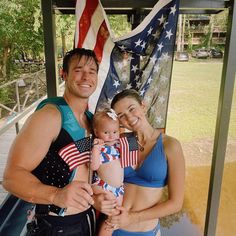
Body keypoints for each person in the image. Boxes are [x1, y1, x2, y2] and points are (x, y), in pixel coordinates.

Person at [3, 48, 116, 236]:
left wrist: (96, 199)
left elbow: (82, 174)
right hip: (56, 225)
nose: (86, 77)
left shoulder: (90, 120)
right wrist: (56, 195)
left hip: (86, 220)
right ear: (64, 74)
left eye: (92, 71)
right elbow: (11, 177)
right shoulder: (50, 116)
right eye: (78, 70)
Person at [107, 89, 185, 236]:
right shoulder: (122, 140)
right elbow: (93, 153)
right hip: (112, 228)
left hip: (145, 231)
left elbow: (176, 203)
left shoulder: (170, 146)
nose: (129, 118)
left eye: (132, 109)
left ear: (143, 106)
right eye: (121, 116)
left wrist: (131, 218)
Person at [90, 108, 124, 236]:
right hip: (104, 186)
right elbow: (94, 166)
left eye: (115, 132)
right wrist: (96, 149)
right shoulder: (100, 148)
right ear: (96, 132)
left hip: (118, 188)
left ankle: (110, 227)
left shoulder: (116, 146)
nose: (111, 136)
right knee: (112, 215)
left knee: (117, 213)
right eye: (106, 132)